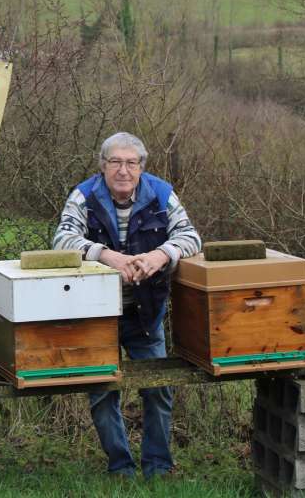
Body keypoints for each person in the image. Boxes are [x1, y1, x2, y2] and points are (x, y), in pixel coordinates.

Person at [52, 132, 201, 479]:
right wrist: (106, 256)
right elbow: (62, 238)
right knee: (102, 393)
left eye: (131, 163)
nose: (123, 170)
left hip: (145, 312)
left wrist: (161, 254)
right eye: (115, 162)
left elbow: (191, 236)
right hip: (96, 313)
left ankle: (158, 467)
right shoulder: (84, 195)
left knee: (159, 391)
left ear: (141, 167)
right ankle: (120, 467)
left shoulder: (160, 194)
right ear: (102, 166)